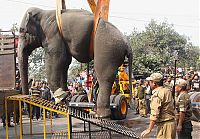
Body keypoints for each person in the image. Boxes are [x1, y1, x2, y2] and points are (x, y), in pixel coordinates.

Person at [141, 72, 176, 139]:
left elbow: (155, 113)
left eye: (150, 82)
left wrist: (149, 129)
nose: (149, 83)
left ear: (154, 83)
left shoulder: (157, 94)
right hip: (171, 123)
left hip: (165, 126)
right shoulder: (166, 90)